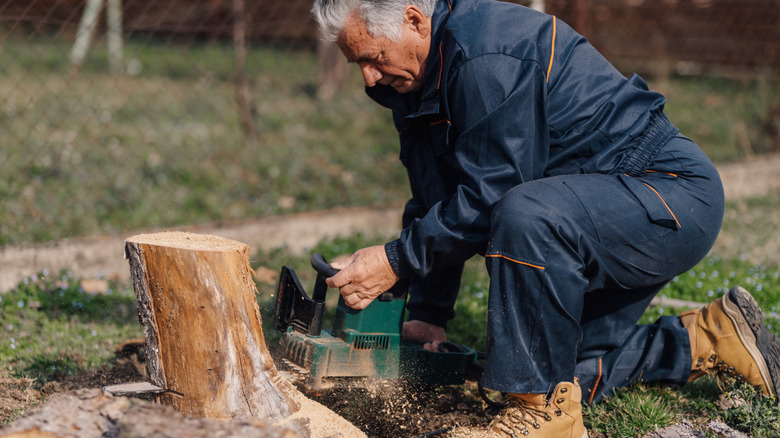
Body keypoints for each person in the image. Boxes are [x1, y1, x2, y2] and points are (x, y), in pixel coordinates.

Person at [310, 0, 780, 436]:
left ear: (414, 20)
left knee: (523, 217)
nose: (369, 78)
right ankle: (706, 339)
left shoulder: (484, 59)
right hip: (594, 210)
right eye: (359, 66)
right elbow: (439, 197)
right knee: (537, 362)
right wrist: (430, 315)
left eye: (373, 57)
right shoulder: (414, 83)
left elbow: (494, 194)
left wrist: (396, 259)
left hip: (667, 195)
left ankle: (540, 414)